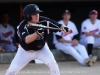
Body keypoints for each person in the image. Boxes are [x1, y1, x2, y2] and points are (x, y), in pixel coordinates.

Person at [5, 4, 68, 75]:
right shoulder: (22, 26)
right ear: (28, 16)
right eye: (34, 14)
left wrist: (64, 28)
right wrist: (37, 33)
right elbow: (27, 40)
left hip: (42, 49)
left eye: (37, 13)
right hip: (25, 52)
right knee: (11, 72)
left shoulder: (44, 21)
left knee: (52, 63)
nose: (37, 15)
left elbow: (58, 25)